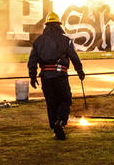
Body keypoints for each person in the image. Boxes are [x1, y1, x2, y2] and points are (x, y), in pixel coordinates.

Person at [27, 12, 84, 140]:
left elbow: (32, 60)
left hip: (46, 77)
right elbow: (74, 57)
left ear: (46, 25)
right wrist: (79, 70)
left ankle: (54, 127)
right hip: (60, 76)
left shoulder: (38, 41)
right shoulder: (66, 40)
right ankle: (61, 122)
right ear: (59, 25)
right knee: (65, 100)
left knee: (51, 103)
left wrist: (32, 76)